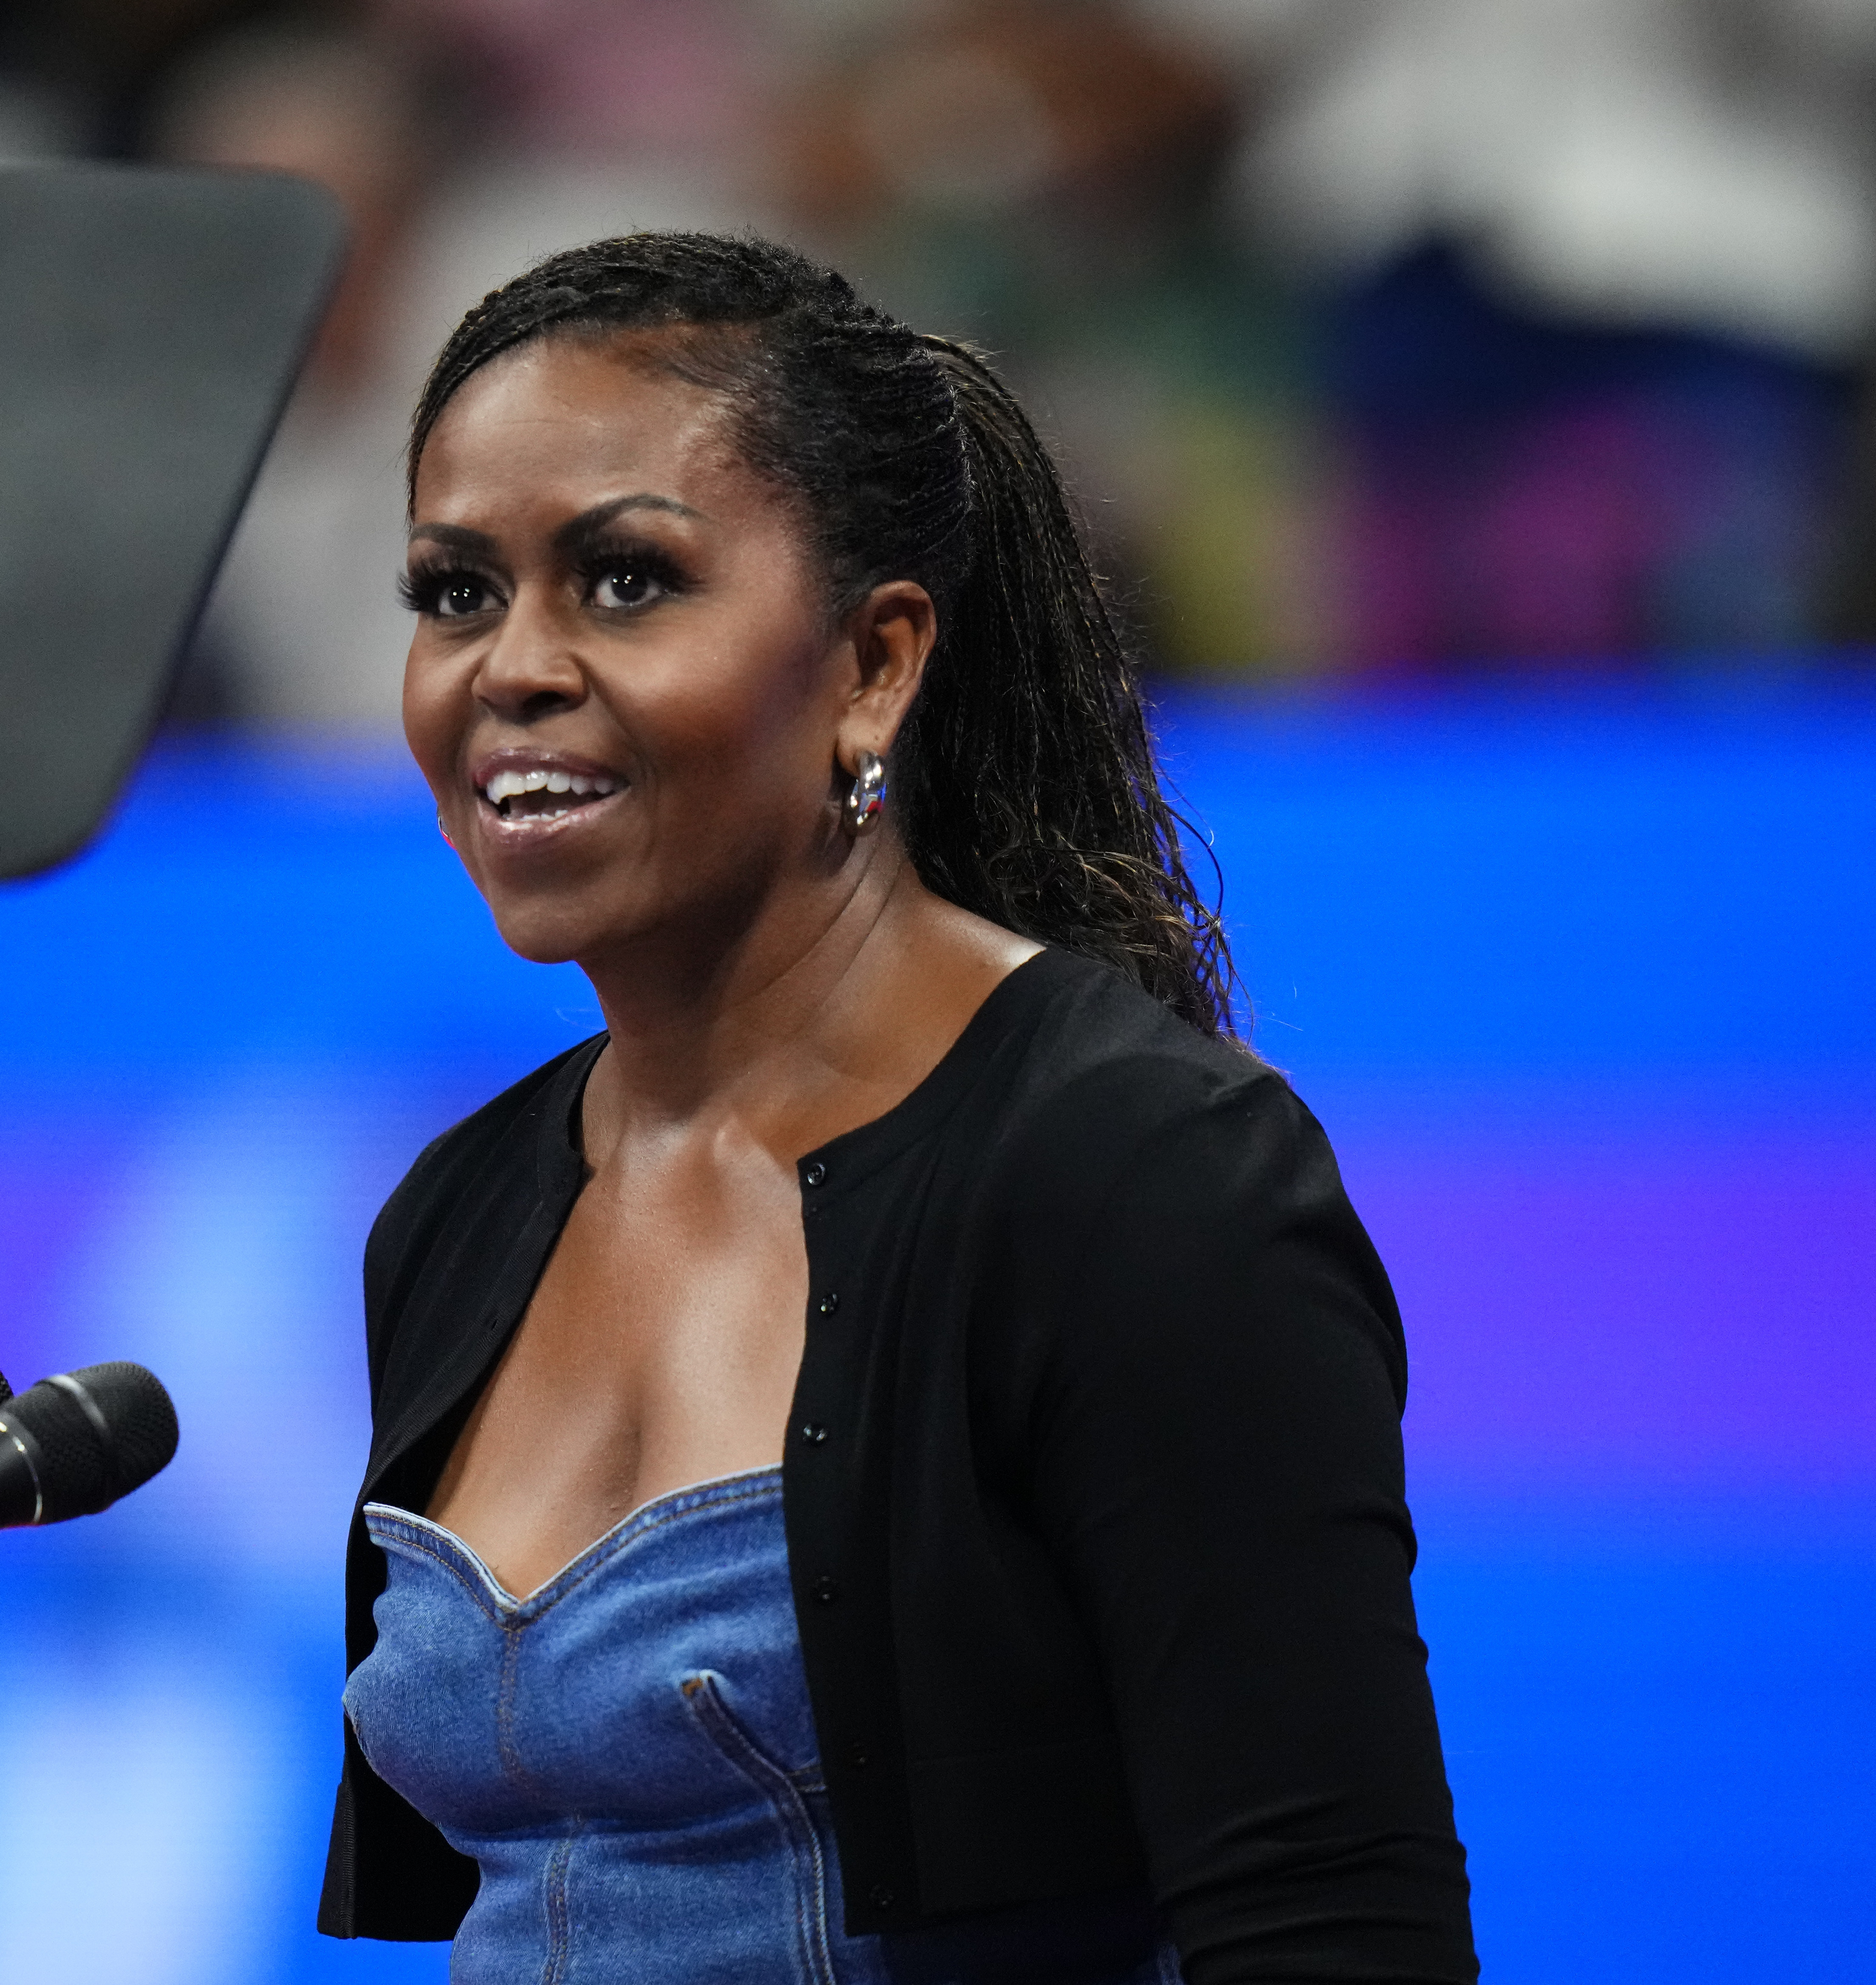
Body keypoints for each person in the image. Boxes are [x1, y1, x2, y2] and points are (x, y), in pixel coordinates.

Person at [319, 234, 1475, 1985]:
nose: (510, 669)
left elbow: (1331, 1927)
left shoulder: (1131, 1174)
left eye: (624, 581)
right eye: (454, 592)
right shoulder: (456, 1210)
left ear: (871, 661)